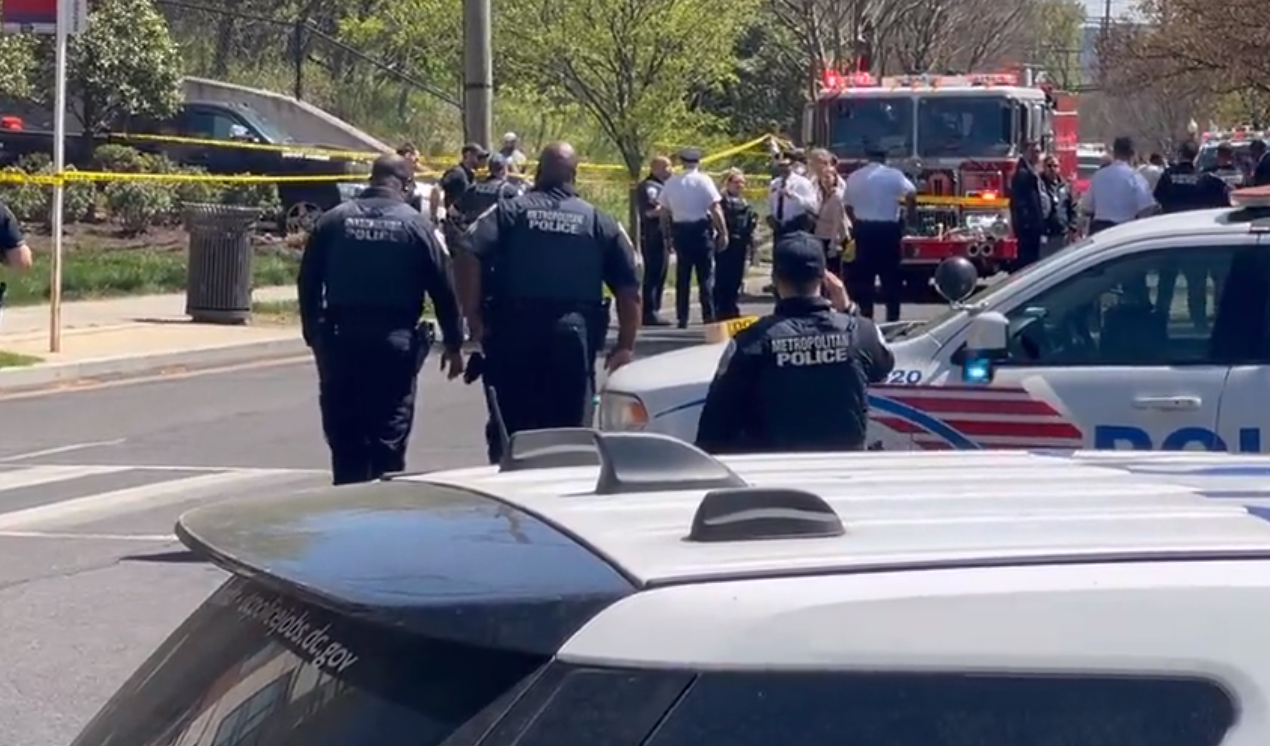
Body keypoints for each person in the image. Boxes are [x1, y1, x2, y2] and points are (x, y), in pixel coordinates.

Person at [457, 142, 641, 463]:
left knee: (512, 432)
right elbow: (629, 287)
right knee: (570, 435)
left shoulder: (509, 212)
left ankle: (510, 496)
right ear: (576, 175)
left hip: (513, 332)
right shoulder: (599, 221)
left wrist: (472, 316)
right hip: (574, 337)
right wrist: (625, 344)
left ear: (539, 171)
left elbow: (467, 250)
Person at [298, 154, 466, 485]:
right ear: (405, 185)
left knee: (345, 438)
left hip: (340, 340)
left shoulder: (333, 221)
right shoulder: (417, 226)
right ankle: (382, 510)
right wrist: (454, 342)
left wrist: (314, 336)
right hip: (394, 342)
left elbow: (308, 281)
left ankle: (347, 504)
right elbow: (444, 287)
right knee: (389, 435)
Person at [695, 231, 894, 454]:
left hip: (778, 474)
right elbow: (883, 366)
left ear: (775, 279)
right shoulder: (861, 331)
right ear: (825, 278)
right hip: (845, 472)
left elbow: (714, 427)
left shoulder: (751, 341)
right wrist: (849, 309)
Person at [1153, 139, 1230, 329]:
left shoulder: (1168, 176)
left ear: (1180, 153)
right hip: (1194, 237)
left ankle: (1159, 323)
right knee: (1197, 284)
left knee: (1166, 284)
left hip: (1170, 236)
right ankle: (1199, 323)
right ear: (1196, 156)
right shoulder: (1204, 179)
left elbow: (1158, 200)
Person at [842, 144, 916, 322]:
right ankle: (893, 318)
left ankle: (866, 318)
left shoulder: (855, 177)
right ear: (885, 158)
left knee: (864, 279)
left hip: (864, 230)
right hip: (888, 231)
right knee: (891, 277)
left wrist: (855, 223)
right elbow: (912, 193)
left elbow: (847, 205)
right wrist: (909, 216)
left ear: (867, 157)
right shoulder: (894, 175)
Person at [661, 147, 727, 329]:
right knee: (705, 275)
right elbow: (715, 208)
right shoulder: (704, 181)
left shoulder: (672, 182)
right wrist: (723, 232)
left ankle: (682, 317)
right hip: (701, 230)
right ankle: (708, 315)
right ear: (698, 162)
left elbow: (664, 212)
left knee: (683, 275)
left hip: (681, 231)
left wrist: (666, 235)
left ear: (682, 162)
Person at [1080, 136, 1157, 234]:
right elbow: (1147, 208)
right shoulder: (1135, 177)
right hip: (1124, 231)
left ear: (1114, 153)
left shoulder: (1098, 176)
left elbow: (1087, 207)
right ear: (1133, 154)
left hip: (1100, 231)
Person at [714, 168, 757, 320]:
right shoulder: (722, 200)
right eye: (736, 182)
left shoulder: (744, 202)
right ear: (729, 183)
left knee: (736, 278)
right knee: (722, 276)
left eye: (742, 182)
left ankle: (731, 306)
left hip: (741, 243)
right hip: (726, 242)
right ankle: (720, 308)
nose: (740, 185)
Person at [430, 142, 488, 247]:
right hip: (455, 227)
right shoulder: (457, 173)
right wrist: (434, 217)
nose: (481, 161)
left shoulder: (470, 175)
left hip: (466, 226)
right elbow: (436, 189)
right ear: (468, 155)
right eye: (478, 157)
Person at [636, 156, 672, 325]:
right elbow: (649, 212)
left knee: (661, 273)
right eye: (666, 167)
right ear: (655, 168)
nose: (670, 170)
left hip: (663, 235)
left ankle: (655, 308)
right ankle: (649, 312)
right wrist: (668, 207)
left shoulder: (664, 186)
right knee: (653, 273)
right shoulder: (649, 187)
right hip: (652, 235)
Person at [809, 147, 850, 278]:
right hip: (819, 233)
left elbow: (839, 219)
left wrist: (834, 243)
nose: (825, 180)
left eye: (817, 161)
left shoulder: (838, 192)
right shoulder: (814, 183)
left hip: (834, 236)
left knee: (833, 271)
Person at [455, 154, 523, 227]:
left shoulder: (474, 188)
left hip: (475, 234)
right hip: (500, 235)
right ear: (504, 170)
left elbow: (453, 211)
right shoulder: (511, 191)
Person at [1008, 139, 1045, 269]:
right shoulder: (1023, 173)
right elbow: (1021, 201)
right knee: (1027, 261)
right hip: (1027, 227)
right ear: (1025, 152)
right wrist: (1027, 222)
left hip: (1033, 225)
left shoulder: (1033, 170)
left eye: (1039, 152)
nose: (1037, 155)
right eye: (1034, 152)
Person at [767, 151, 819, 237]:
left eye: (786, 166)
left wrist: (794, 197)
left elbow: (813, 206)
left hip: (796, 226)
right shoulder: (775, 183)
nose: (782, 169)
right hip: (778, 227)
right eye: (780, 166)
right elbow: (771, 203)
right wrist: (772, 216)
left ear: (793, 165)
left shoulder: (803, 183)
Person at [1039, 154, 1078, 259]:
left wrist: (1073, 228)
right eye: (1049, 166)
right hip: (1045, 235)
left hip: (1062, 235)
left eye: (1055, 166)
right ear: (1044, 167)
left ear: (1059, 168)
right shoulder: (1039, 185)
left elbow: (1073, 207)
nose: (1052, 169)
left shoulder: (1066, 186)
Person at [395, 143, 424, 212]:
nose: (416, 163)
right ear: (408, 155)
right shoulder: (403, 171)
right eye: (416, 159)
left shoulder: (386, 166)